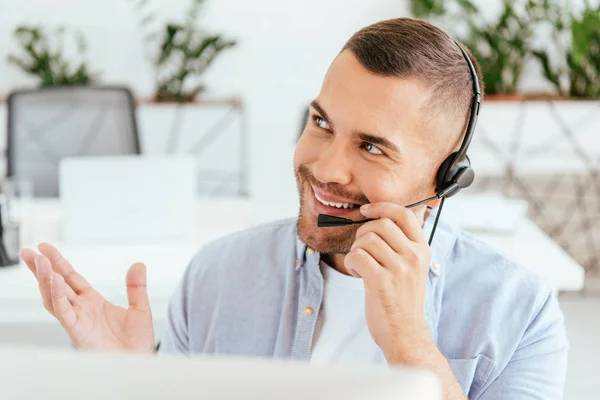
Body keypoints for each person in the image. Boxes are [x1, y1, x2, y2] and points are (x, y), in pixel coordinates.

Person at [19, 18, 567, 400]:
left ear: (444, 180)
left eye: (371, 146)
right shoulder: (215, 277)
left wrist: (409, 343)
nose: (327, 167)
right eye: (321, 122)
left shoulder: (519, 315)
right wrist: (135, 383)